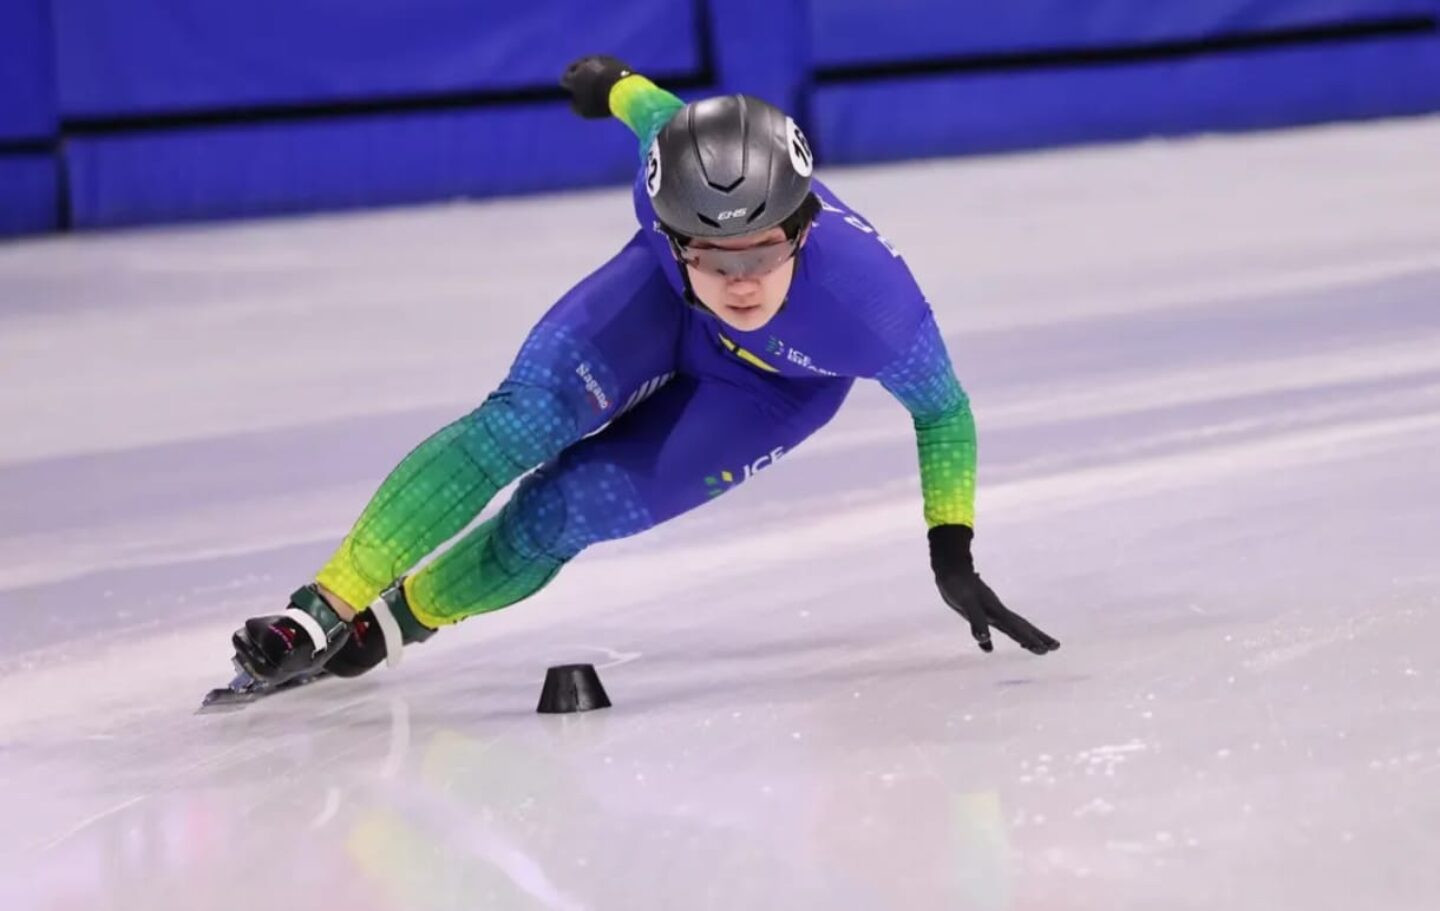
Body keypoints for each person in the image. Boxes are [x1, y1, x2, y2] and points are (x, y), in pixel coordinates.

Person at [227, 55, 1059, 688]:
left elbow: (943, 412)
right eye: (709, 248)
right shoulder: (670, 173)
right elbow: (652, 107)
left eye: (764, 248)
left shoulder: (873, 304)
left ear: (802, 229)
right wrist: (611, 81)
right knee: (518, 423)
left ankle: (402, 620)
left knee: (563, 512)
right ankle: (321, 610)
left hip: (773, 389)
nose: (739, 279)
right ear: (669, 227)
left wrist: (952, 554)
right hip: (658, 304)